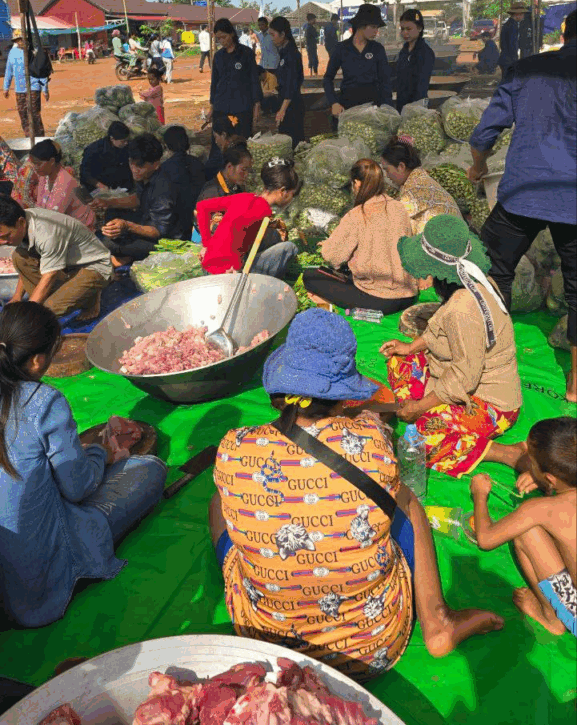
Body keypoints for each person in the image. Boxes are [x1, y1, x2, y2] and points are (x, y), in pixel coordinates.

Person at [210, 308, 503, 680]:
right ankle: (437, 619)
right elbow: (369, 447)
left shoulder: (234, 447)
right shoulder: (372, 442)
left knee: (219, 500)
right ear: (343, 398)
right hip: (371, 645)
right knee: (404, 498)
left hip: (272, 648)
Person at [0, 301, 166, 628]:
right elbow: (77, 488)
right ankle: (75, 564)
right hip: (35, 577)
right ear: (38, 360)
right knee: (149, 470)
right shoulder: (41, 401)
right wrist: (102, 452)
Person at [468, 7, 576, 402]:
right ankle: (576, 386)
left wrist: (478, 167)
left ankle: (493, 361)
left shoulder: (526, 69)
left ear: (563, 35)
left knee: (492, 268)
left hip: (524, 192)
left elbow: (485, 134)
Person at [381, 215, 522, 478]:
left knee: (421, 439)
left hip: (488, 401)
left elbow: (465, 377)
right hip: (458, 375)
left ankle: (507, 453)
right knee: (399, 359)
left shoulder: (462, 308)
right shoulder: (475, 280)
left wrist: (420, 407)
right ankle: (419, 404)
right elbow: (440, 332)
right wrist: (411, 348)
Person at [471, 417, 576, 637]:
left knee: (526, 531)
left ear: (551, 478)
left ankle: (551, 619)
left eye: (532, 462)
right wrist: (543, 479)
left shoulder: (540, 509)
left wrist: (480, 495)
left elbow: (486, 539)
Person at [303, 159, 417, 313]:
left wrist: (329, 244)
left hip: (379, 299)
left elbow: (332, 256)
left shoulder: (357, 215)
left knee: (310, 276)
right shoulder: (399, 208)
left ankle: (327, 304)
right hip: (408, 295)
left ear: (356, 183)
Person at [0, 195, 112, 321]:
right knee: (18, 257)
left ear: (21, 222)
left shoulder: (46, 233)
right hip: (66, 265)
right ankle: (73, 294)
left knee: (48, 309)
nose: (2, 242)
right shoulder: (21, 223)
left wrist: (29, 314)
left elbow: (50, 275)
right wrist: (17, 297)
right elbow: (26, 264)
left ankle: (90, 296)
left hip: (93, 266)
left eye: (6, 236)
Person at [197, 157, 299, 278]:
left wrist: (206, 244)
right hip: (225, 273)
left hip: (208, 263)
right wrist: (230, 267)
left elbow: (202, 207)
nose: (291, 199)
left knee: (273, 236)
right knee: (290, 248)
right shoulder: (263, 211)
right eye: (292, 194)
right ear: (283, 191)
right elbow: (237, 237)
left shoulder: (245, 197)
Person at [97, 133, 180, 264]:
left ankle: (128, 258)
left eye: (140, 166)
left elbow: (157, 232)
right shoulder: (144, 176)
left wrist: (127, 226)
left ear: (156, 164)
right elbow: (138, 199)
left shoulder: (163, 189)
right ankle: (128, 254)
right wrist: (108, 202)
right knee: (112, 213)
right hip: (146, 220)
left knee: (108, 243)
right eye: (131, 163)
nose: (134, 169)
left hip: (164, 241)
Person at [381, 138, 462, 234]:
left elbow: (391, 217)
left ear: (401, 166)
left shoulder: (416, 186)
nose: (387, 175)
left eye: (387, 170)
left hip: (448, 239)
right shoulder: (418, 178)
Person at [324, 3, 392, 116]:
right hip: (347, 109)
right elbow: (327, 78)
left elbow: (385, 81)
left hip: (374, 110)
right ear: (361, 25)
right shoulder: (341, 48)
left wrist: (387, 108)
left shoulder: (377, 49)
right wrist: (334, 103)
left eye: (377, 27)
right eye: (373, 27)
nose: (376, 31)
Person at [204, 18, 262, 143]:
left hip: (241, 107)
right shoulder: (218, 56)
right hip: (221, 107)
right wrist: (212, 107)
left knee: (240, 140)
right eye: (218, 38)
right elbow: (215, 83)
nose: (221, 41)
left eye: (224, 37)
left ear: (231, 34)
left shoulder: (246, 53)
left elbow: (254, 80)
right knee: (220, 141)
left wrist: (257, 105)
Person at [30, 139, 95, 230]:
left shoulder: (66, 182)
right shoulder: (44, 176)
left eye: (38, 164)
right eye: (34, 164)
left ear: (52, 161)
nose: (35, 168)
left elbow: (53, 218)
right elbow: (39, 205)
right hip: (60, 223)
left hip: (81, 229)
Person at [161, 125, 205, 240]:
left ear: (167, 146)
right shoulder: (198, 163)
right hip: (198, 222)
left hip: (177, 227)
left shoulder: (164, 168)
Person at [269, 15, 305, 147]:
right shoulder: (284, 53)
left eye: (273, 35)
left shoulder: (292, 55)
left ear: (283, 34)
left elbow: (292, 84)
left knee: (292, 143)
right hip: (285, 102)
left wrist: (282, 110)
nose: (272, 38)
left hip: (291, 106)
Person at [3, 33, 49, 137]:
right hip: (19, 89)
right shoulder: (12, 53)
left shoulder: (34, 52)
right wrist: (6, 87)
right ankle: (28, 136)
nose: (20, 42)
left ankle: (39, 137)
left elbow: (41, 71)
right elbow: (9, 70)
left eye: (21, 39)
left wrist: (45, 89)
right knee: (23, 114)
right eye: (17, 40)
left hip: (34, 86)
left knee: (34, 113)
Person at [395, 9, 435, 112]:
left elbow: (422, 85)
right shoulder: (403, 52)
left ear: (420, 28)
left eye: (409, 29)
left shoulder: (425, 53)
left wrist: (413, 109)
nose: (404, 33)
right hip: (401, 104)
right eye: (402, 29)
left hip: (417, 107)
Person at [80, 120, 133, 194]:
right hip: (102, 187)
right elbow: (85, 173)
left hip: (121, 187)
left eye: (127, 140)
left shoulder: (126, 147)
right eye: (123, 141)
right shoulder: (94, 150)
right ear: (112, 139)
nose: (126, 143)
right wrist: (99, 184)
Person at [498, 2, 526, 76]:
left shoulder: (509, 24)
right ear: (517, 14)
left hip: (505, 58)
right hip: (509, 60)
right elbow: (512, 44)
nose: (523, 16)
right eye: (522, 14)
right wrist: (515, 60)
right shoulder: (512, 26)